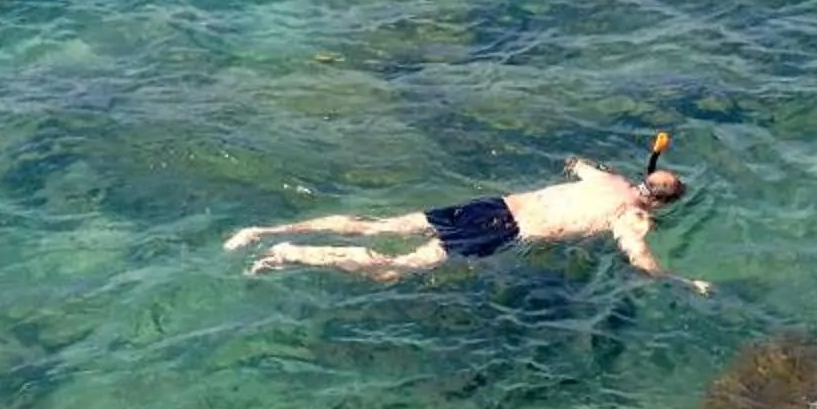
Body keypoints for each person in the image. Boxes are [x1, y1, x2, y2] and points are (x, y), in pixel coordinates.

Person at [226, 154, 705, 292]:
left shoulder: (606, 178)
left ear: (645, 178)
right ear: (661, 203)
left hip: (493, 204)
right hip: (502, 232)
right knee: (397, 268)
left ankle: (264, 232)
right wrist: (683, 281)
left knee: (376, 225)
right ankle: (289, 254)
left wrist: (593, 166)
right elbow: (641, 263)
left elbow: (572, 160)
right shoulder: (631, 214)